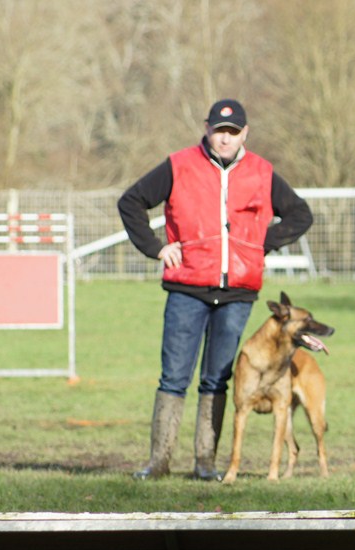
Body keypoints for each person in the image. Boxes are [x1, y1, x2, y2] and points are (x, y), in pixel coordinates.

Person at [118, 99, 314, 481]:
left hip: (238, 294)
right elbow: (131, 202)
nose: (225, 138)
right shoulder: (179, 165)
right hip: (186, 288)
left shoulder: (262, 172)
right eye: (219, 130)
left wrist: (261, 242)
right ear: (206, 128)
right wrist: (157, 247)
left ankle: (205, 464)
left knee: (215, 379)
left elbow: (300, 214)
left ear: (245, 133)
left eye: (233, 131)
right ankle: (158, 463)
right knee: (173, 377)